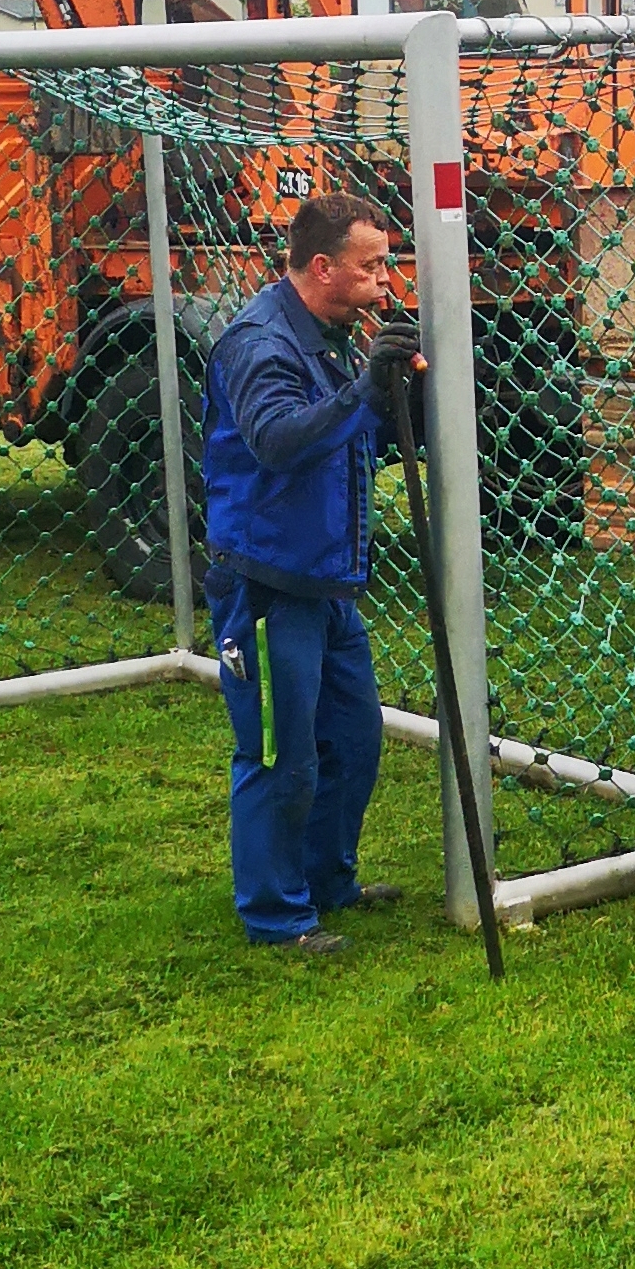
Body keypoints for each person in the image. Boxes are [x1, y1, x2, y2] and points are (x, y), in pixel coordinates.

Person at [203, 192, 422, 955]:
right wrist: (364, 390)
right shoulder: (260, 344)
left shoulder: (328, 332)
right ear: (322, 267)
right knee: (279, 751)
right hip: (267, 585)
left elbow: (357, 432)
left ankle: (329, 879)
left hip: (328, 584)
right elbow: (277, 441)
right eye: (372, 268)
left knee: (354, 739)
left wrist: (396, 389)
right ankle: (277, 915)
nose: (385, 281)